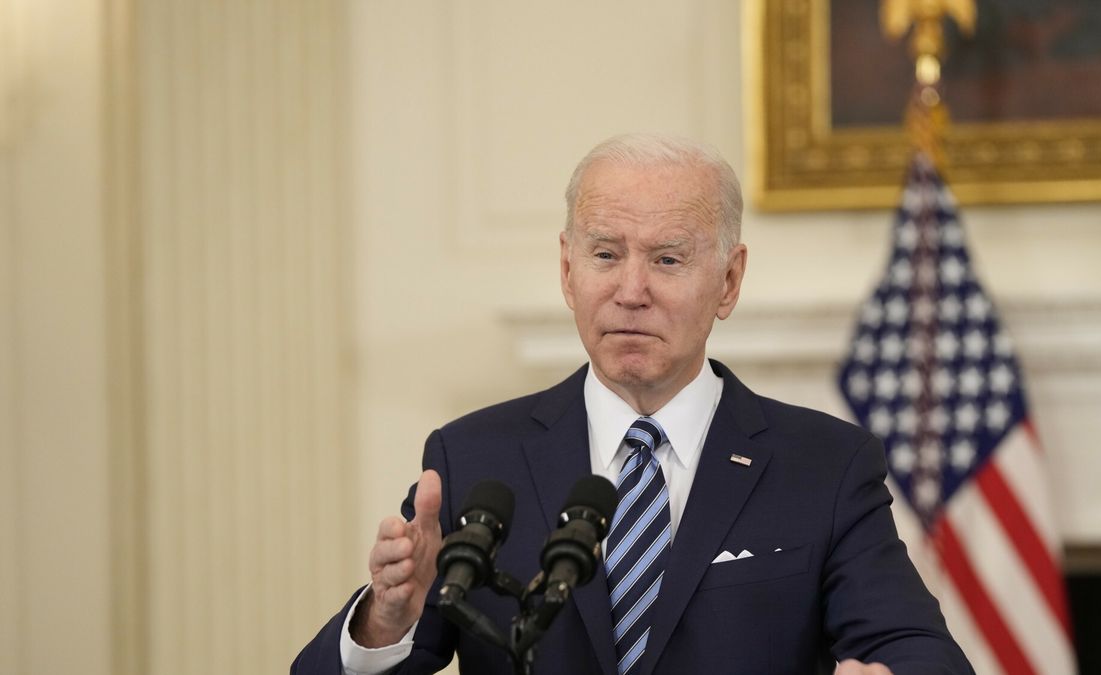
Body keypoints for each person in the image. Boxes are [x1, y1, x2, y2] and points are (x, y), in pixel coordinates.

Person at [292, 134, 973, 675]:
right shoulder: (473, 460)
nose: (631, 290)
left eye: (667, 260)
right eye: (606, 254)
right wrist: (383, 620)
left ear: (729, 280)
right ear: (568, 270)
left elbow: (920, 649)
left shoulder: (824, 464)